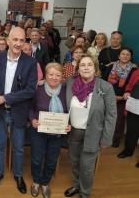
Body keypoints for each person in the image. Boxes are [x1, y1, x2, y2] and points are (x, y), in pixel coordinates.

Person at [0, 27, 37, 194]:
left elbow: (31, 90)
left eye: (21, 40)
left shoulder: (30, 62)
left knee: (18, 147)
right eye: (15, 40)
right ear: (7, 40)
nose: (18, 43)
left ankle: (18, 175)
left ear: (25, 42)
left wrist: (6, 98)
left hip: (19, 112)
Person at [64, 55, 117, 198]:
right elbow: (56, 87)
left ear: (95, 68)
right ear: (78, 68)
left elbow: (111, 115)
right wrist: (42, 82)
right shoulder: (70, 82)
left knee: (87, 168)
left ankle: (85, 193)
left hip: (93, 133)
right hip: (73, 132)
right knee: (74, 162)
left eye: (89, 65)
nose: (86, 67)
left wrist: (106, 138)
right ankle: (76, 185)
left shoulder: (106, 87)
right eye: (82, 65)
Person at [29, 63, 70, 197]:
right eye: (51, 74)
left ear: (62, 77)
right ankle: (36, 181)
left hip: (58, 133)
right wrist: (32, 120)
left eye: (57, 75)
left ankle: (45, 183)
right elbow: (29, 107)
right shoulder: (37, 88)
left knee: (52, 160)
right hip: (38, 131)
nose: (54, 77)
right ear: (45, 75)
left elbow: (71, 109)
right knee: (36, 158)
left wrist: (69, 124)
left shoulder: (66, 90)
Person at [105, 47, 137, 148]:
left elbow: (133, 85)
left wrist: (121, 97)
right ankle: (104, 138)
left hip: (123, 98)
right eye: (123, 54)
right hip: (108, 97)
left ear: (131, 57)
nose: (125, 56)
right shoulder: (111, 66)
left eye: (128, 54)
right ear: (119, 56)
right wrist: (108, 95)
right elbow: (104, 81)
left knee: (118, 122)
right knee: (105, 119)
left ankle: (115, 141)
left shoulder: (134, 69)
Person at [118, 68, 139, 159]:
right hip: (134, 105)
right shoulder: (136, 71)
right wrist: (127, 92)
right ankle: (128, 151)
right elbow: (129, 85)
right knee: (131, 130)